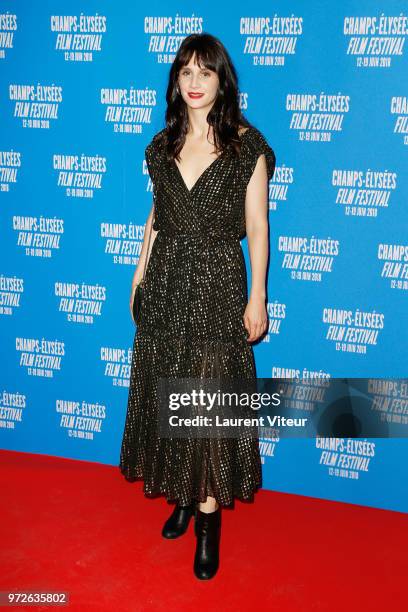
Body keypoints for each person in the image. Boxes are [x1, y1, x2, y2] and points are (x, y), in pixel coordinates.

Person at [119, 32, 276, 580]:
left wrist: (257, 295)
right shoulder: (161, 146)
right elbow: (158, 216)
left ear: (221, 81)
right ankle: (183, 497)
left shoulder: (246, 146)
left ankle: (208, 523)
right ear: (175, 81)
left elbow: (257, 227)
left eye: (204, 73)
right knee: (170, 387)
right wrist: (139, 271)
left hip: (216, 284)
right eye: (184, 72)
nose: (193, 82)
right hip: (164, 284)